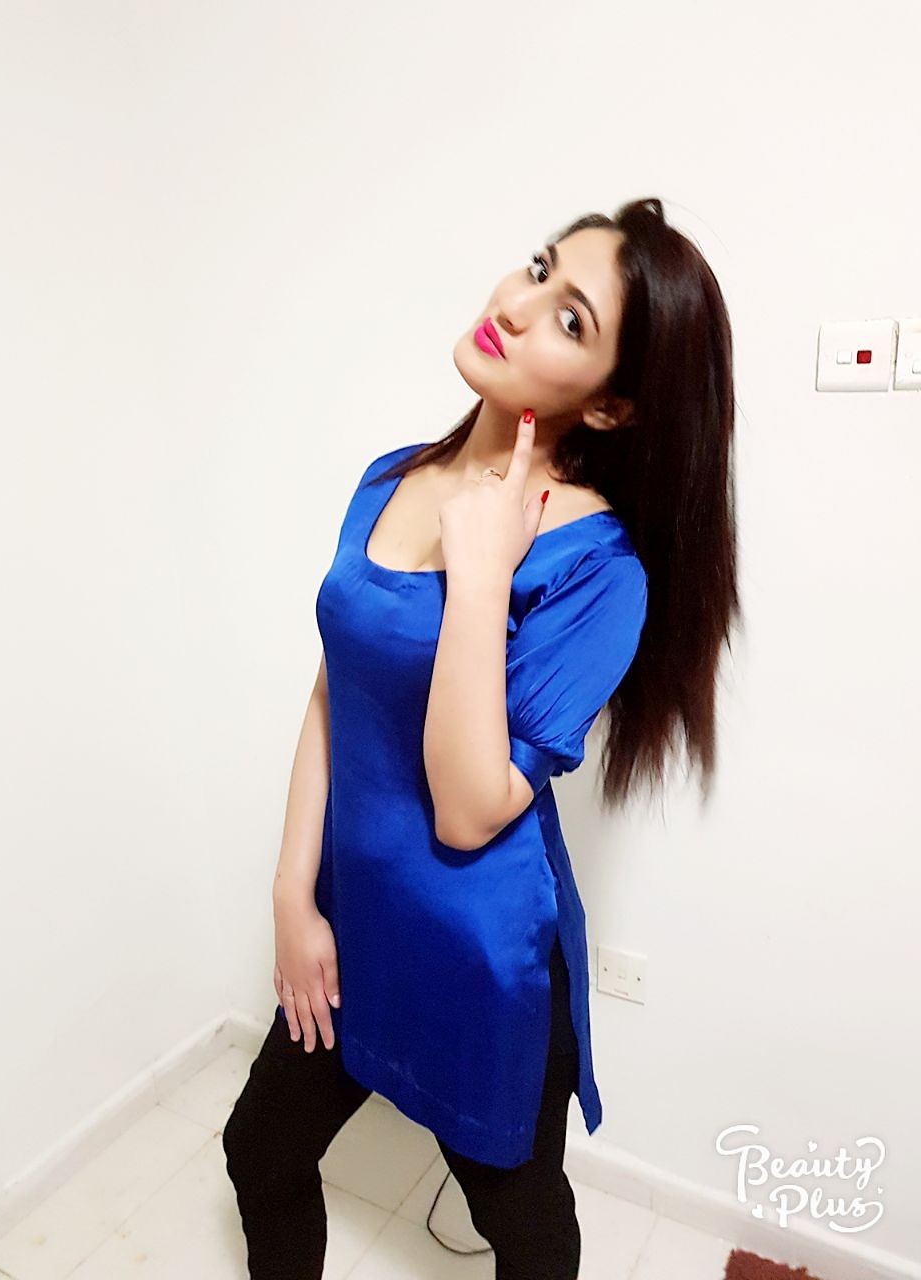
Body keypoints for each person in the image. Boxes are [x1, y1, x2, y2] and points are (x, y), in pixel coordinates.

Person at [223, 197, 740, 1280]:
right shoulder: (390, 477)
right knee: (260, 1145)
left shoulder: (601, 572)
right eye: (538, 270)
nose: (515, 304)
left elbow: (466, 811)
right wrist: (291, 894)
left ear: (613, 405)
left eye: (570, 318)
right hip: (352, 922)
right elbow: (333, 695)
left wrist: (482, 574)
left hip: (480, 952)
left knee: (524, 1224)